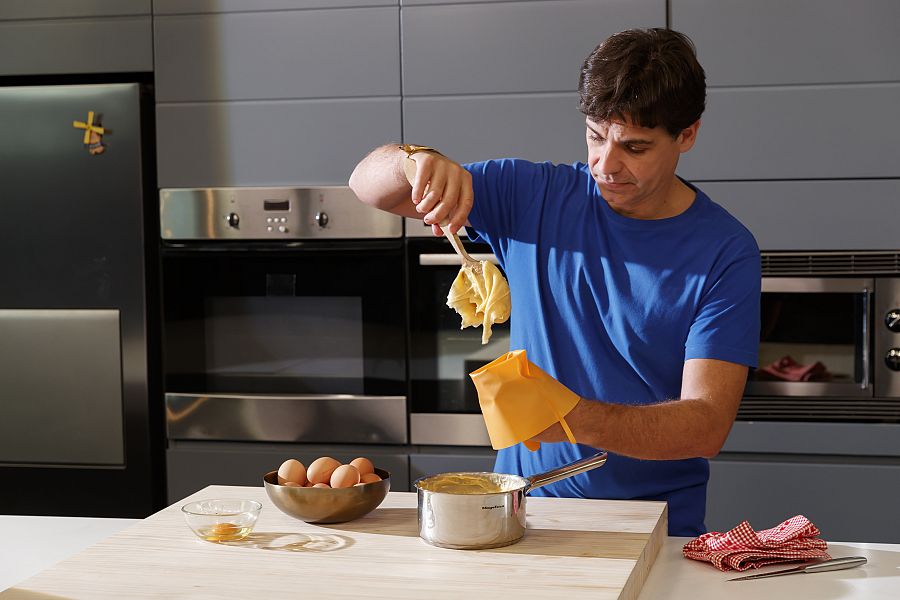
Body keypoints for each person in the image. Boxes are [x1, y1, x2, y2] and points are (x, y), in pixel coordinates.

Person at [348, 28, 760, 536]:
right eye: (594, 135)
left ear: (687, 135)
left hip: (656, 525)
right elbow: (367, 185)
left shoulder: (725, 250)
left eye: (635, 146)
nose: (606, 165)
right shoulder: (532, 195)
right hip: (520, 513)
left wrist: (572, 416)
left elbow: (707, 424)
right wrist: (414, 159)